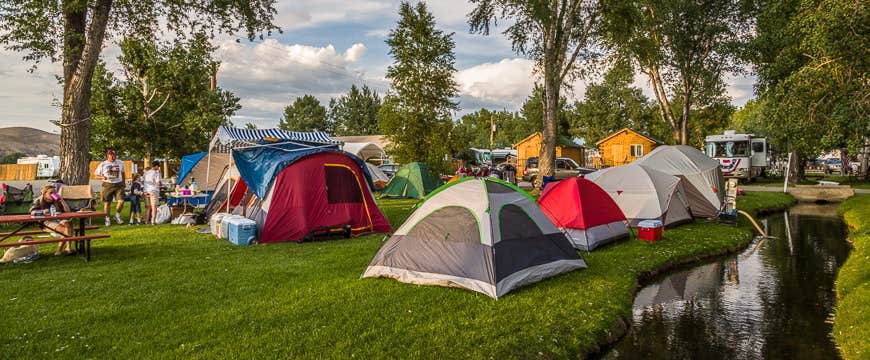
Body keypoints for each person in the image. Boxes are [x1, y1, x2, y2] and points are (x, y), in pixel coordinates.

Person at [29, 185, 73, 256]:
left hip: (58, 220)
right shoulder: (39, 200)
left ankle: (64, 249)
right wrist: (43, 212)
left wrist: (62, 201)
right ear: (45, 193)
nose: (53, 194)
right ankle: (64, 249)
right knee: (66, 229)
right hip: (46, 222)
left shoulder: (56, 201)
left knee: (68, 223)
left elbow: (68, 211)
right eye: (51, 192)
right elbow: (32, 212)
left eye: (55, 192)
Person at [94, 149, 126, 226]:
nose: (113, 156)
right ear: (108, 155)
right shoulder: (103, 164)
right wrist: (102, 177)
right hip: (107, 184)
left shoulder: (120, 162)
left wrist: (123, 182)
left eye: (114, 155)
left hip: (118, 184)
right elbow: (95, 175)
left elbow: (123, 173)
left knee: (121, 201)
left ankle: (117, 215)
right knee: (107, 203)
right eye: (111, 155)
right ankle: (107, 218)